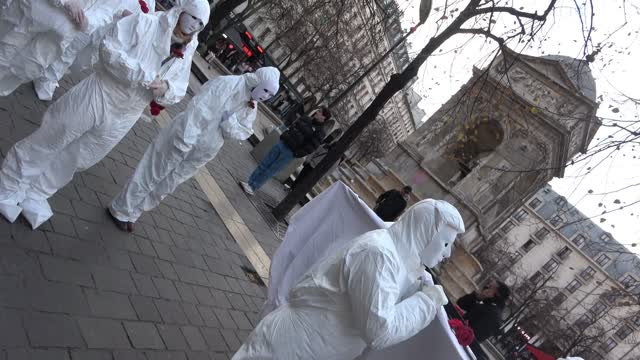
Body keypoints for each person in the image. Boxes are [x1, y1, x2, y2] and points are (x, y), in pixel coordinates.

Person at [0, 0, 210, 229]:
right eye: (193, 17)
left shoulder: (187, 50)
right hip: (102, 91)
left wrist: (166, 89)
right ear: (181, 11)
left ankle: (38, 191)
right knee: (55, 134)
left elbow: (179, 86)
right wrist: (139, 73)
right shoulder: (144, 22)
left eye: (200, 23)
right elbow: (109, 48)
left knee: (82, 155)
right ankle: (10, 183)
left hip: (128, 111)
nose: (194, 25)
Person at [232, 199, 465, 359]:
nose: (446, 254)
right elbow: (380, 331)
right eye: (445, 243)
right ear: (423, 233)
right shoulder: (380, 256)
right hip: (297, 346)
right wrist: (426, 302)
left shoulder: (392, 253)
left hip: (310, 345)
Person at [108, 67, 280, 232]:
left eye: (270, 95)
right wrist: (186, 138)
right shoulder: (228, 84)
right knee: (153, 172)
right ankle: (121, 209)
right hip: (184, 137)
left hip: (203, 151)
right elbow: (199, 108)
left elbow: (243, 131)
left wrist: (230, 123)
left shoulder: (252, 106)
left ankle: (134, 212)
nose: (266, 97)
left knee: (168, 184)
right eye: (266, 91)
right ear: (257, 81)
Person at [0, 0, 157, 101]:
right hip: (35, 11)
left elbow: (107, 11)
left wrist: (88, 22)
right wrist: (66, 1)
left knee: (28, 67)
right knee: (6, 49)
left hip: (64, 31)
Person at [239, 107, 332, 196]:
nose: (317, 112)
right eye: (318, 110)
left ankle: (253, 187)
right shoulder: (306, 118)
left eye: (320, 112)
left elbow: (311, 147)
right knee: (264, 163)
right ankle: (249, 182)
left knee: (270, 170)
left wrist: (296, 153)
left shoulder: (320, 132)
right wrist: (284, 136)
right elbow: (293, 126)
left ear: (324, 117)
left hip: (290, 153)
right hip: (282, 143)